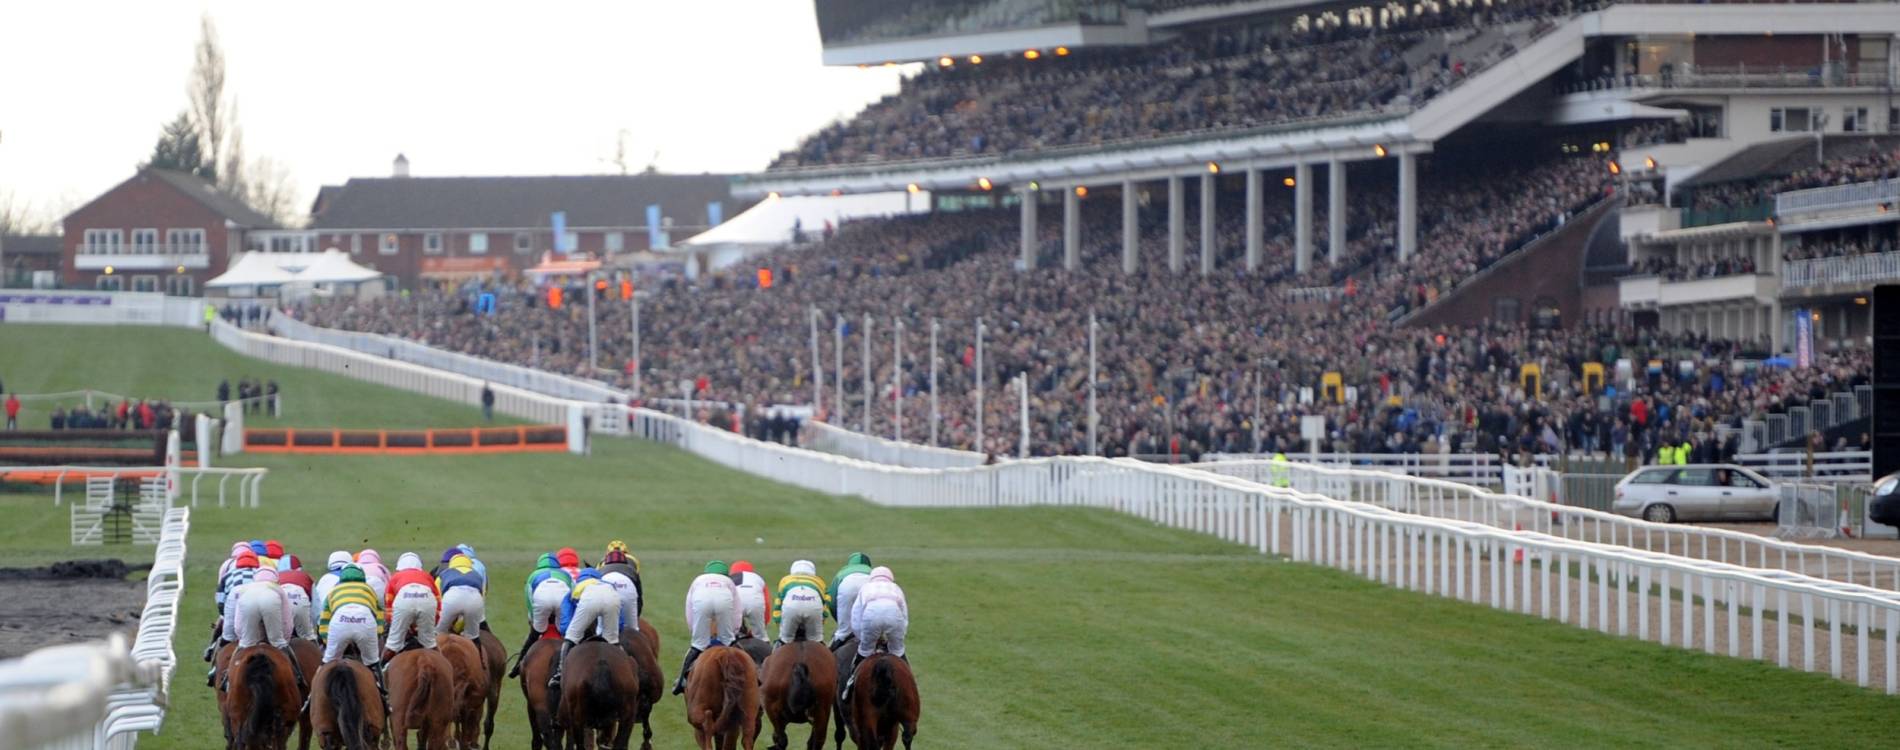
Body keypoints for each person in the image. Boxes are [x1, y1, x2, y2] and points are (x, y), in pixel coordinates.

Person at [221, 567, 307, 692]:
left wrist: (243, 638)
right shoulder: (279, 589)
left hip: (247, 599)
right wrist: (284, 639)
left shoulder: (244, 589)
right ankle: (298, 676)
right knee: (279, 642)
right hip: (271, 599)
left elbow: (238, 623)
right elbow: (286, 620)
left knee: (245, 644)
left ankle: (228, 678)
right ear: (276, 580)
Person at [318, 564, 387, 697]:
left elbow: (324, 620)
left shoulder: (334, 590)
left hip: (339, 621)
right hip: (365, 621)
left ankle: (312, 696)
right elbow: (379, 616)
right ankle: (384, 696)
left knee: (327, 662)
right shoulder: (369, 589)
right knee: (373, 662)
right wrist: (375, 636)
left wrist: (328, 641)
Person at [842, 566, 908, 703]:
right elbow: (904, 618)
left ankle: (850, 685)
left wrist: (864, 639)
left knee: (864, 652)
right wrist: (896, 641)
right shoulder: (896, 588)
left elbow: (856, 617)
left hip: (871, 616)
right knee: (898, 652)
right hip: (894, 616)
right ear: (890, 578)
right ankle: (909, 687)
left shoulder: (866, 588)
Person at [548, 568, 622, 689]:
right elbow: (621, 620)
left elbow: (566, 621)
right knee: (613, 640)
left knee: (571, 636)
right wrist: (616, 631)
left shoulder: (575, 588)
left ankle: (560, 673)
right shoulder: (607, 584)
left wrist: (569, 634)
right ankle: (625, 668)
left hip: (590, 600)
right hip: (612, 598)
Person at [675, 560, 739, 695]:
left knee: (698, 644)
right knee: (730, 642)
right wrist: (733, 633)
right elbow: (737, 611)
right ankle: (754, 679)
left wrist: (695, 633)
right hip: (724, 601)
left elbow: (689, 610)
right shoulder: (729, 582)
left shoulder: (698, 580)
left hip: (701, 601)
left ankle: (681, 681)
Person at [508, 553, 574, 677]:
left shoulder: (533, 575)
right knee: (569, 635)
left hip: (541, 600)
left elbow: (529, 598)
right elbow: (573, 595)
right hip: (562, 599)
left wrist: (533, 619)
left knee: (534, 634)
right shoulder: (565, 574)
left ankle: (517, 666)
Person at [383, 552, 440, 658]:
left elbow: (389, 611)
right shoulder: (427, 576)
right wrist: (427, 626)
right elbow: (438, 606)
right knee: (430, 644)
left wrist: (403, 627)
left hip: (404, 600)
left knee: (392, 645)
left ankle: (379, 672)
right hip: (426, 600)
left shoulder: (395, 577)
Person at [772, 560, 831, 646]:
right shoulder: (819, 581)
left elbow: (778, 605)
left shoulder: (785, 580)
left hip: (791, 607)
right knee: (817, 642)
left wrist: (781, 626)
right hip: (813, 607)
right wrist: (820, 623)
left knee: (784, 640)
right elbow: (826, 605)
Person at [827, 552, 873, 649]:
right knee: (894, 646)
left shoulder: (841, 573)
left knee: (842, 633)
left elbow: (832, 602)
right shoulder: (873, 572)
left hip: (847, 586)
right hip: (870, 585)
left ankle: (830, 655)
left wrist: (842, 622)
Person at [435, 552, 487, 637]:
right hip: (474, 600)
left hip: (451, 600)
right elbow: (482, 597)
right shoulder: (477, 575)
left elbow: (438, 600)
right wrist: (458, 628)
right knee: (473, 636)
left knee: (438, 632)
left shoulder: (444, 573)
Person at [598, 549, 643, 631]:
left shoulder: (601, 570)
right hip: (628, 589)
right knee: (633, 629)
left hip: (605, 592)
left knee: (600, 629)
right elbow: (639, 599)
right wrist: (636, 617)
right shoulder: (631, 570)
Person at [276, 555, 318, 642]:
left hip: (279, 602)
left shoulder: (275, 576)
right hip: (299, 601)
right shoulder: (306, 576)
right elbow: (316, 610)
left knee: (276, 640)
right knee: (308, 638)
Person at [731, 560, 770, 641]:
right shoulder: (757, 578)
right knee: (761, 638)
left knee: (729, 638)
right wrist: (762, 626)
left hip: (736, 605)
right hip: (755, 604)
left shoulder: (729, 578)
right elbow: (766, 604)